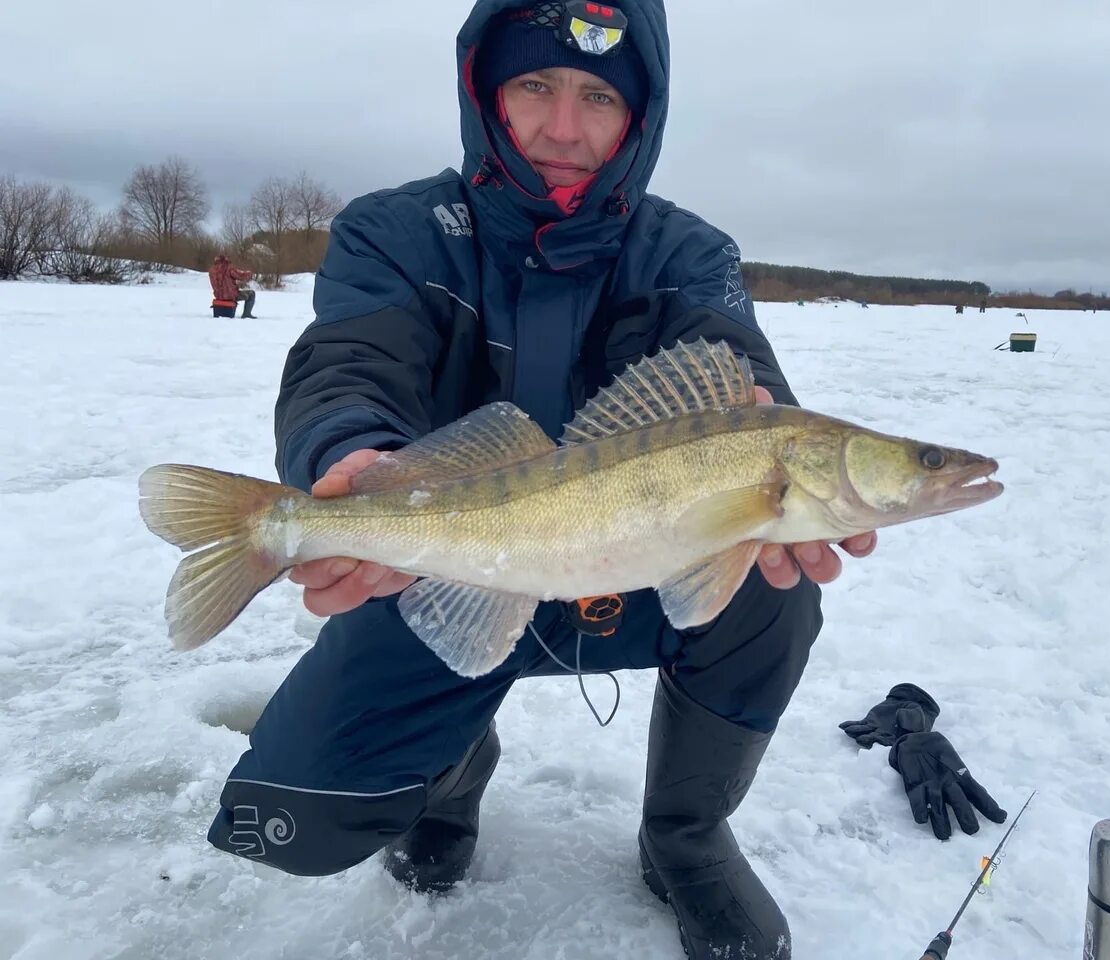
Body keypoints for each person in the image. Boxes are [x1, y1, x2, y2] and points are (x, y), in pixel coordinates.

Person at [206, 2, 876, 957]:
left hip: (638, 569)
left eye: (599, 95)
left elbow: (731, 367)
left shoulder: (689, 253)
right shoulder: (393, 232)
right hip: (444, 566)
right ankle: (447, 787)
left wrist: (761, 432)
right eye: (534, 86)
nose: (565, 129)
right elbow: (352, 361)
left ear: (640, 116)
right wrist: (347, 450)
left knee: (773, 582)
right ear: (487, 92)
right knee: (301, 810)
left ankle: (684, 835)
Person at [209, 253, 256, 318]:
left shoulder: (212, 270)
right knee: (251, 294)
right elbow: (240, 276)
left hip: (218, 296)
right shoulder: (229, 268)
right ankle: (246, 314)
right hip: (231, 296)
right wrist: (249, 273)